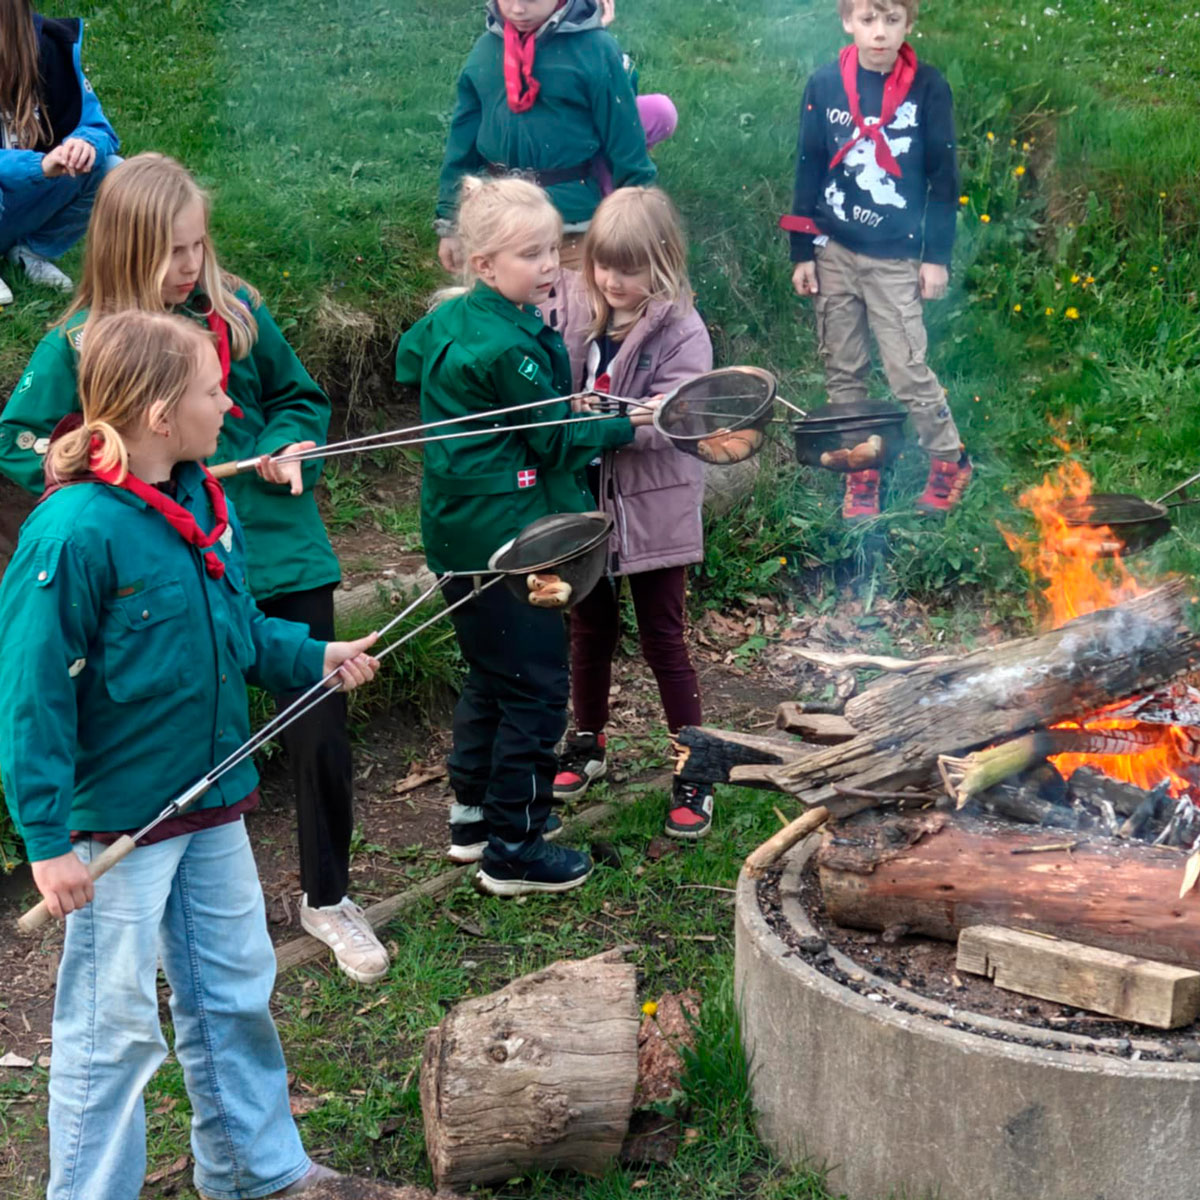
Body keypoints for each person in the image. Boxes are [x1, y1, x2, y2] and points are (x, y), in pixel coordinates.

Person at [0, 310, 380, 1200]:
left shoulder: (206, 501)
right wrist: (47, 841)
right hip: (118, 825)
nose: (231, 404)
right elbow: (32, 695)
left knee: (235, 988)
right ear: (161, 414)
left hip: (213, 802)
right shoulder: (74, 533)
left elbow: (241, 633)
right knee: (113, 1028)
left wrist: (317, 658)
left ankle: (256, 1171)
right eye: (215, 390)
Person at [0, 153, 390, 984]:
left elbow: (299, 398)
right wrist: (102, 475)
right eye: (171, 251)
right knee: (189, 733)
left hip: (273, 542)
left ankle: (327, 896)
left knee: (317, 721)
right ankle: (180, 948)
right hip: (158, 567)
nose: (188, 267)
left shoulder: (237, 309)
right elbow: (20, 441)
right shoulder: (83, 343)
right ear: (125, 248)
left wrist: (295, 448)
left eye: (196, 246)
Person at [396, 175, 658, 896]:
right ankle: (515, 847)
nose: (550, 266)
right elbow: (553, 443)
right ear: (483, 265)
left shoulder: (453, 321)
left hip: (456, 535)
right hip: (509, 540)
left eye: (554, 249)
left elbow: (414, 364)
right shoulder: (509, 346)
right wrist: (624, 422)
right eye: (531, 255)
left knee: (492, 674)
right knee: (538, 687)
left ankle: (473, 816)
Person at [545, 187, 717, 839]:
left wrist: (610, 417)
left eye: (629, 268)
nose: (613, 281)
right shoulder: (580, 313)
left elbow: (680, 416)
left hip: (655, 509)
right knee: (588, 629)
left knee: (663, 639)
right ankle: (586, 743)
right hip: (588, 505)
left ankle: (695, 766)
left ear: (664, 262)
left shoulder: (683, 329)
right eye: (602, 266)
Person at [783, 0, 971, 519]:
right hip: (835, 250)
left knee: (906, 365)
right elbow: (808, 165)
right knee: (842, 366)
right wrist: (803, 250)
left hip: (895, 256)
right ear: (847, 21)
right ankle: (860, 467)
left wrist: (935, 257)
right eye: (868, 20)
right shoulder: (825, 85)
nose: (880, 33)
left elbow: (943, 177)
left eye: (892, 20)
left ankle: (948, 457)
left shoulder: (928, 88)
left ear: (910, 24)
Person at [434, 0, 661, 273]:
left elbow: (625, 141)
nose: (517, 9)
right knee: (501, 312)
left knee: (575, 310)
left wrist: (636, 220)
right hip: (495, 221)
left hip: (569, 225)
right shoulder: (486, 50)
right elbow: (462, 144)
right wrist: (450, 224)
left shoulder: (594, 49)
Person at [0, 0, 121, 304]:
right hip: (26, 176)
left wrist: (83, 144)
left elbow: (98, 127)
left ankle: (31, 252)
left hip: (21, 202)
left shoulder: (49, 49)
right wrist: (39, 166)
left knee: (111, 171)